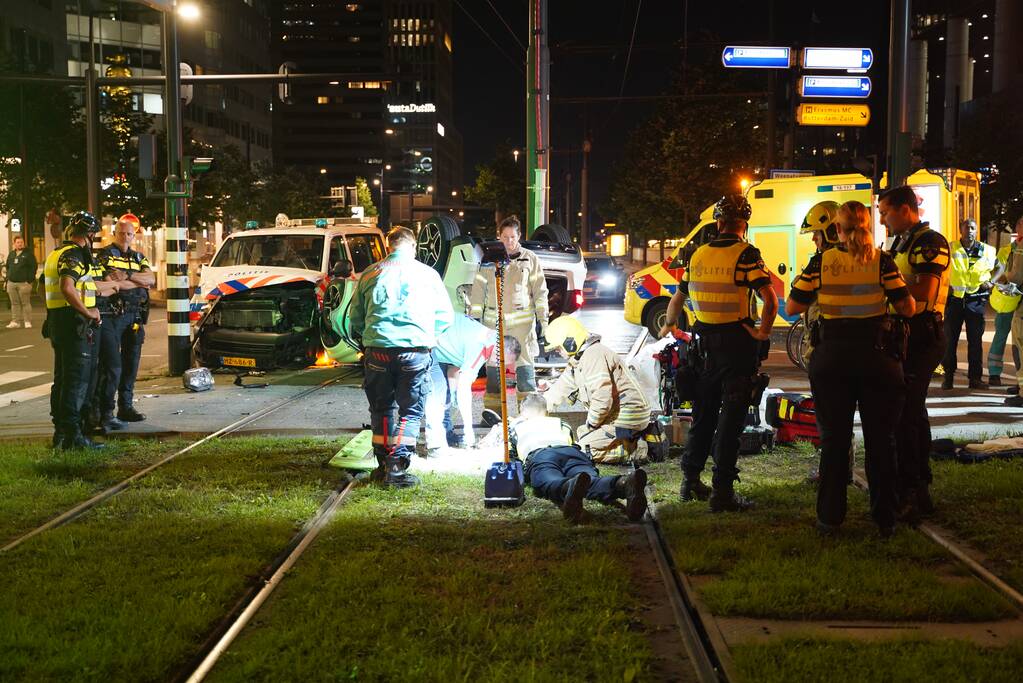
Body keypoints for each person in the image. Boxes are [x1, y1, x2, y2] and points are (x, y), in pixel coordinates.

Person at [787, 200, 916, 537]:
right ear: (869, 226)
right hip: (877, 359)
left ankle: (830, 518)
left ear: (838, 230)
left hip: (832, 359)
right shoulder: (882, 261)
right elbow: (908, 307)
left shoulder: (822, 262)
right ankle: (885, 517)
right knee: (881, 440)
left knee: (834, 440)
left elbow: (792, 306)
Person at [659, 194, 778, 511]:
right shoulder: (746, 255)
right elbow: (770, 298)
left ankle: (690, 481)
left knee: (703, 415)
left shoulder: (698, 254)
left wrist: (670, 325)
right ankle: (722, 493)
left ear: (718, 222)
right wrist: (763, 331)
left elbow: (677, 300)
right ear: (744, 225)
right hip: (736, 347)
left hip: (701, 348)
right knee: (732, 419)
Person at [349, 226, 453, 488]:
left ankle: (383, 465)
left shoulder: (371, 273)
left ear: (388, 247)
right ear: (413, 247)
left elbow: (356, 317)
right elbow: (445, 317)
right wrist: (429, 336)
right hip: (415, 353)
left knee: (382, 409)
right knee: (410, 411)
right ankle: (397, 467)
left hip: (378, 353)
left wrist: (371, 337)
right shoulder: (428, 274)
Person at [879, 185, 951, 520]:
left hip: (922, 333)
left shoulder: (930, 242)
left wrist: (884, 281)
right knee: (910, 411)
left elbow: (925, 289)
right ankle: (918, 486)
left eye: (885, 211)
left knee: (906, 412)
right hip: (902, 333)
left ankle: (912, 489)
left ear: (905, 209)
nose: (881, 219)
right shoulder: (899, 241)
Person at [43, 212, 125, 450]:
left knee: (62, 379)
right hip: (75, 325)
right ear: (89, 235)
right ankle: (74, 437)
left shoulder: (54, 254)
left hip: (58, 322)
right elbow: (67, 287)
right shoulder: (75, 254)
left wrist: (53, 312)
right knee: (77, 382)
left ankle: (60, 434)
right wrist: (88, 313)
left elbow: (44, 287)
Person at [511, 393, 648, 523]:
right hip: (572, 453)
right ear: (546, 412)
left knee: (548, 480)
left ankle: (568, 486)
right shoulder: (560, 423)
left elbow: (507, 452)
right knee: (590, 480)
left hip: (542, 455)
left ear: (522, 414)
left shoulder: (516, 425)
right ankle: (622, 484)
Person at [543, 315, 653, 463]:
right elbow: (561, 388)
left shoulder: (593, 356)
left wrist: (592, 425)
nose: (557, 352)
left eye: (558, 348)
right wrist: (540, 406)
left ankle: (639, 451)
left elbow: (602, 398)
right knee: (581, 433)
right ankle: (631, 440)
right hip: (618, 415)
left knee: (582, 449)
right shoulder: (579, 359)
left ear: (570, 341)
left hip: (627, 416)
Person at [469, 215, 549, 404]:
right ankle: (493, 411)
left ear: (519, 236)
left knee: (525, 372)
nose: (509, 241)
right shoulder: (488, 260)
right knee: (493, 371)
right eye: (505, 237)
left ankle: (528, 412)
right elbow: (478, 291)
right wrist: (475, 321)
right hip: (493, 326)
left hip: (522, 328)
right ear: (499, 236)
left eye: (513, 237)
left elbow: (540, 291)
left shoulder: (530, 259)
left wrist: (543, 322)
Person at [423, 314, 520, 454]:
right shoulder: (480, 346)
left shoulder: (489, 339)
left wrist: (453, 391)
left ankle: (446, 436)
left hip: (436, 344)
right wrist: (469, 430)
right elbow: (464, 387)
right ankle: (435, 445)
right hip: (428, 343)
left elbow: (455, 366)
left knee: (445, 395)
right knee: (437, 395)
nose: (499, 365)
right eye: (500, 361)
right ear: (500, 350)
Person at [95, 214, 155, 431]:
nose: (125, 237)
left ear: (134, 235)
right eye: (121, 233)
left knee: (131, 363)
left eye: (129, 233)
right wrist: (134, 281)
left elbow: (151, 280)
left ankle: (126, 407)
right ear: (115, 233)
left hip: (135, 316)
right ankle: (106, 412)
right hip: (112, 315)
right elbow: (110, 281)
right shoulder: (105, 255)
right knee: (112, 367)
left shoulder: (139, 257)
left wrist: (127, 277)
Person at [941, 219, 998, 389]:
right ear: (960, 230)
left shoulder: (987, 250)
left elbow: (1000, 266)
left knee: (975, 342)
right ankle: (948, 377)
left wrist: (992, 282)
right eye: (966, 228)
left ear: (977, 230)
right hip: (955, 301)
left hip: (976, 301)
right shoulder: (951, 248)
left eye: (973, 228)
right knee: (950, 341)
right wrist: (945, 287)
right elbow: (941, 268)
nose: (970, 231)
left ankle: (975, 379)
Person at [988, 217, 1023, 388]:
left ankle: (1019, 381)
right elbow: (1000, 270)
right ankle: (994, 373)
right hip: (1008, 298)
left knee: (1019, 343)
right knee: (1001, 334)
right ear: (1017, 227)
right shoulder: (1006, 250)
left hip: (1018, 299)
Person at [6, 235, 38, 329]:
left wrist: (29, 280)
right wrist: (8, 278)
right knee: (14, 303)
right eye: (18, 242)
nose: (20, 244)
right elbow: (8, 266)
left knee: (25, 303)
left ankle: (27, 321)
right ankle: (15, 321)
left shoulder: (28, 254)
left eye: (21, 242)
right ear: (14, 244)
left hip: (24, 283)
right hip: (11, 283)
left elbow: (33, 267)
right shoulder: (11, 254)